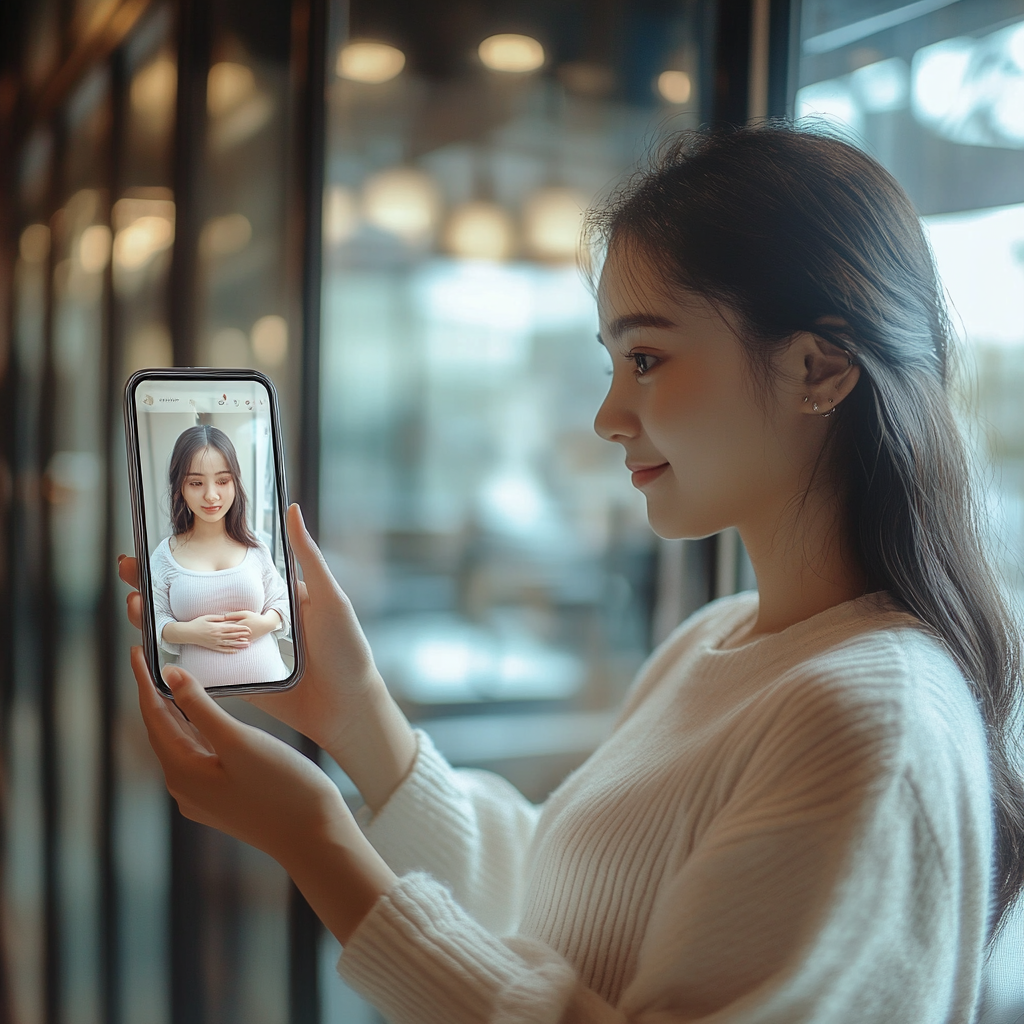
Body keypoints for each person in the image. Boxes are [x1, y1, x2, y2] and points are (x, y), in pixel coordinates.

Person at [119, 124, 1024, 1023]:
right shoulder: (719, 638)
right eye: (612, 363)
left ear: (817, 368)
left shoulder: (872, 718)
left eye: (646, 359)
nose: (607, 415)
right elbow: (558, 909)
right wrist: (355, 715)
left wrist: (316, 841)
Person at [149, 423, 291, 687]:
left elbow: (283, 603)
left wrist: (263, 624)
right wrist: (193, 633)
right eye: (196, 482)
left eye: (223, 481)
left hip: (274, 694)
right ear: (180, 487)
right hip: (198, 706)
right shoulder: (165, 555)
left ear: (235, 483)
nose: (211, 495)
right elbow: (152, 620)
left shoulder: (255, 546)